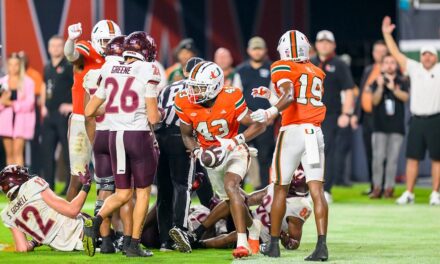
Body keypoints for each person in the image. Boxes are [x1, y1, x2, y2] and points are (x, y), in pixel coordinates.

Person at [171, 61, 266, 258]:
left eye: (199, 88)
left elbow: (259, 125)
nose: (193, 92)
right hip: (210, 156)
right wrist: (197, 151)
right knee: (230, 199)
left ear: (215, 86)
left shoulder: (231, 96)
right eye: (193, 86)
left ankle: (242, 242)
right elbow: (187, 135)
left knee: (232, 187)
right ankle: (253, 227)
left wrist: (236, 140)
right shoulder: (183, 100)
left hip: (234, 150)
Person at [251, 30, 328, 261]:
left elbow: (290, 95)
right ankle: (322, 247)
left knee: (279, 188)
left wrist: (270, 110)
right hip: (314, 132)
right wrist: (270, 97)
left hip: (293, 131)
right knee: (317, 191)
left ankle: (273, 244)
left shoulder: (281, 66)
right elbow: (299, 98)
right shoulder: (317, 72)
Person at [83, 31, 162, 257]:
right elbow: (154, 118)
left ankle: (95, 222)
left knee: (122, 192)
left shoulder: (108, 69)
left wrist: (115, 108)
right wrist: (161, 113)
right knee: (143, 193)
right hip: (137, 135)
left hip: (113, 135)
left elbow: (89, 110)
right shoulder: (148, 70)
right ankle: (133, 244)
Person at [156, 56, 215, 251]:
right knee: (183, 186)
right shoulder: (199, 88)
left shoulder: (167, 88)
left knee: (164, 189)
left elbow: (156, 114)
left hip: (159, 135)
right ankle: (178, 232)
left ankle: (164, 239)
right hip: (183, 137)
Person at [83, 35, 134, 254]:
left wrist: (94, 141)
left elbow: (88, 114)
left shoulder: (93, 74)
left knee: (104, 191)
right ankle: (126, 239)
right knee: (125, 192)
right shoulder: (129, 72)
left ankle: (105, 242)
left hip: (100, 136)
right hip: (119, 133)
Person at [381, 16, 440, 205]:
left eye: (431, 54)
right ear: (420, 57)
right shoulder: (414, 68)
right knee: (412, 158)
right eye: (424, 54)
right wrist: (386, 34)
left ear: (436, 57)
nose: (427, 57)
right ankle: (409, 193)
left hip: (435, 119)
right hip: (416, 120)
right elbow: (396, 53)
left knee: (437, 159)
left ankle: (435, 193)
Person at [63, 20, 121, 201]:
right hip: (82, 119)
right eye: (104, 41)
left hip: (109, 121)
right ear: (96, 39)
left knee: (108, 178)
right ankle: (66, 223)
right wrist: (71, 40)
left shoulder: (121, 57)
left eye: (112, 41)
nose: (109, 45)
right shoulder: (87, 50)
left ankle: (101, 224)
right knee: (78, 177)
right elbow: (71, 55)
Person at [0, 164, 91, 252]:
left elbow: (22, 248)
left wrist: (34, 242)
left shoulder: (7, 214)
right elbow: (72, 210)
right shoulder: (33, 185)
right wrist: (86, 186)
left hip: (63, 246)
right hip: (79, 230)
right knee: (102, 216)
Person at [310, 30, 356, 202]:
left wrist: (346, 113)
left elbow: (349, 89)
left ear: (333, 45)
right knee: (311, 152)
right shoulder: (310, 63)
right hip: (310, 116)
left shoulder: (340, 64)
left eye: (327, 42)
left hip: (330, 115)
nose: (324, 45)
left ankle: (326, 189)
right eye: (321, 42)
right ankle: (310, 188)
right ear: (316, 44)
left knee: (327, 151)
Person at [232, 37, 275, 189]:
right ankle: (237, 190)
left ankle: (264, 192)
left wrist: (271, 115)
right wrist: (241, 117)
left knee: (265, 157)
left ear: (265, 50)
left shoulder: (272, 69)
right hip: (244, 121)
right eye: (254, 48)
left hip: (265, 120)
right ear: (249, 50)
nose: (257, 52)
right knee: (240, 156)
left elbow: (275, 96)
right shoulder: (241, 70)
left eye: (260, 48)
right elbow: (236, 95)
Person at [367, 54, 409, 198]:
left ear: (396, 65)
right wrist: (380, 87)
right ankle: (377, 187)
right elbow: (374, 101)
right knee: (378, 159)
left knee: (392, 160)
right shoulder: (377, 81)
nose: (390, 65)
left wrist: (393, 89)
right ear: (382, 65)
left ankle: (389, 188)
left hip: (397, 127)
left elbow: (406, 97)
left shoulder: (402, 80)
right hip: (379, 126)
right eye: (387, 62)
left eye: (392, 62)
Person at [40, 35, 73, 191]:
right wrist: (43, 105)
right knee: (47, 152)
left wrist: (72, 105)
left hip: (63, 116)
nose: (55, 48)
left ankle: (69, 186)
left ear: (63, 48)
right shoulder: (47, 67)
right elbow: (44, 85)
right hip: (49, 115)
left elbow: (79, 87)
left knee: (67, 153)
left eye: (59, 45)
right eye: (52, 46)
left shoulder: (68, 66)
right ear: (48, 48)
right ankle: (49, 187)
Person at [356, 40, 389, 194]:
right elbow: (362, 91)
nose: (380, 54)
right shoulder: (369, 69)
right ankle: (373, 185)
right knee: (369, 152)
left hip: (381, 118)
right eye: (377, 51)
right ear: (373, 53)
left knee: (381, 153)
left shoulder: (389, 70)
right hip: (367, 117)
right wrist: (357, 115)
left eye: (383, 51)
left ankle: (382, 186)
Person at [0, 53, 35, 166]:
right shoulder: (2, 82)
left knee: (18, 152)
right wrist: (3, 102)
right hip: (6, 122)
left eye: (16, 64)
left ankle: (20, 181)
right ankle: (10, 181)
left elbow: (29, 104)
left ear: (20, 66)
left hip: (21, 122)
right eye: (10, 64)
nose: (13, 67)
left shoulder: (28, 82)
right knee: (9, 154)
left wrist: (11, 103)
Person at [18, 51, 44, 174]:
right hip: (17, 113)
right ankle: (19, 171)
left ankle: (35, 171)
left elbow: (37, 96)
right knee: (18, 145)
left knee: (34, 143)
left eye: (23, 59)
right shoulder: (13, 76)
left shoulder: (34, 75)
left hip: (32, 112)